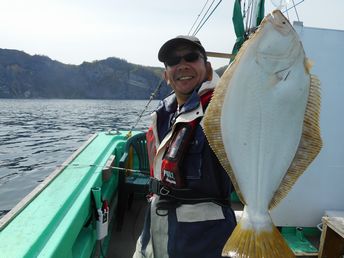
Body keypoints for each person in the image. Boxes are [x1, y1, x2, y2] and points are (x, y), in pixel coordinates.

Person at [133, 35, 236, 258]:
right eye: (173, 61)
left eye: (191, 57)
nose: (182, 65)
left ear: (207, 68)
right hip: (154, 234)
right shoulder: (164, 114)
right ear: (166, 75)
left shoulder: (225, 109)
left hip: (204, 243)